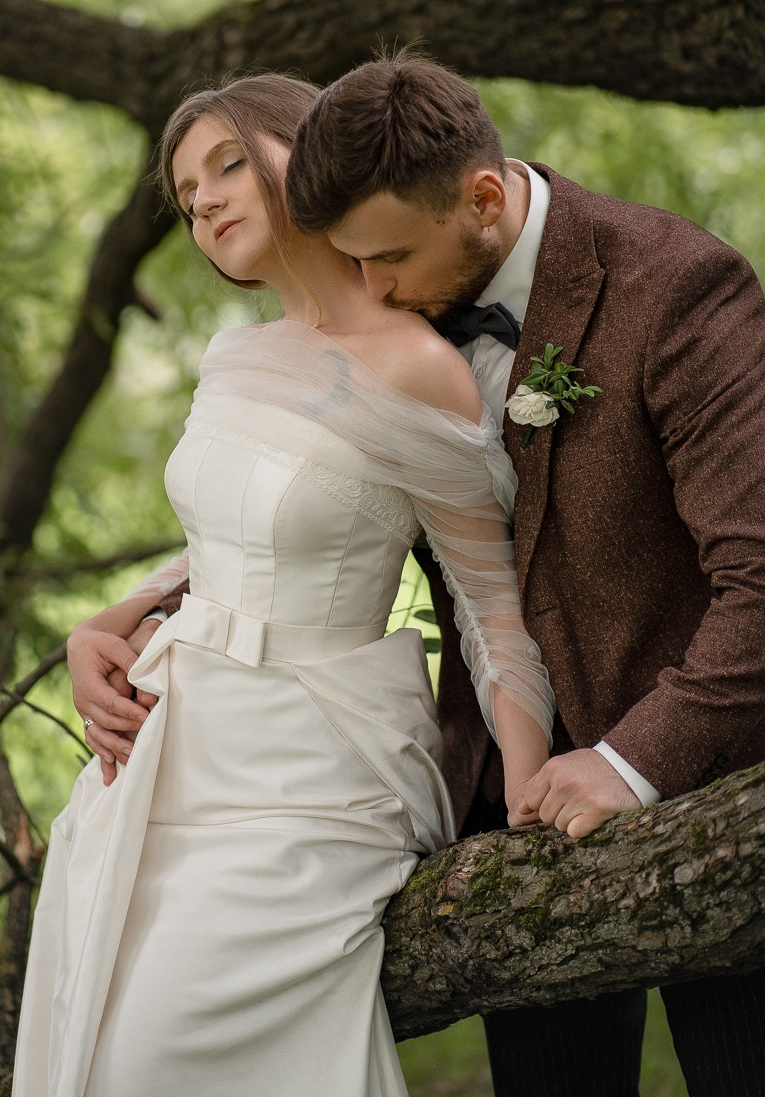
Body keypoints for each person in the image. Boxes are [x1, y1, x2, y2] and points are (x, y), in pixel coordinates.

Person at [12, 73, 555, 1097]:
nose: (205, 200)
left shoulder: (418, 366)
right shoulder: (237, 356)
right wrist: (110, 617)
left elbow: (488, 610)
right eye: (185, 194)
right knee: (88, 1021)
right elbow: (226, 533)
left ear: (302, 157)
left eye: (226, 164)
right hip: (172, 741)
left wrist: (526, 789)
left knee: (152, 1052)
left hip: (313, 773)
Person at [280, 54, 765, 1097]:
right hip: (513, 827)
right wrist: (139, 613)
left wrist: (630, 763)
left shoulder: (673, 285)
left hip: (708, 803)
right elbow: (293, 519)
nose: (374, 291)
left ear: (483, 197)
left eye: (391, 256)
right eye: (353, 263)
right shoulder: (390, 325)